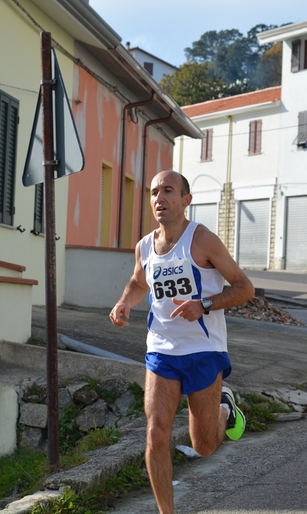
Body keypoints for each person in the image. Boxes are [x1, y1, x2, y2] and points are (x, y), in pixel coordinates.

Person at [109, 169, 255, 514]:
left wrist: (203, 304)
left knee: (203, 446)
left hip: (204, 350)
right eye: (155, 192)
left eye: (168, 191)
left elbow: (244, 288)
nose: (160, 198)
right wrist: (123, 303)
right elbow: (138, 282)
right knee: (156, 434)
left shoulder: (202, 240)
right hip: (161, 349)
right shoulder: (145, 246)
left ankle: (225, 407)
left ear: (186, 200)